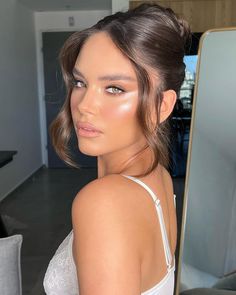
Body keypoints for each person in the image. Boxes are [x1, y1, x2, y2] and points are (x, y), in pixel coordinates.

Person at [43, 3, 190, 295]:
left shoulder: (104, 202)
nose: (83, 105)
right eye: (80, 82)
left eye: (114, 88)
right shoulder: (157, 177)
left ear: (162, 105)